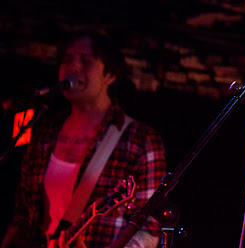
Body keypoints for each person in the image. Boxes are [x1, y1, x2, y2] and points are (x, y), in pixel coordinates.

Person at [1, 31, 167, 248]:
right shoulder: (43, 133)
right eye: (68, 59)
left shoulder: (141, 141)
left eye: (86, 61)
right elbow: (22, 217)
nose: (73, 67)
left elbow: (149, 231)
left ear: (110, 75)